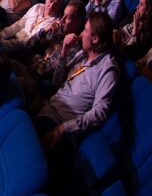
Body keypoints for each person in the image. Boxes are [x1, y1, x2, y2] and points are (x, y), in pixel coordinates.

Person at [36, 12, 119, 151]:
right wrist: (64, 52)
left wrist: (63, 128)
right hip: (50, 106)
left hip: (59, 123)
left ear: (95, 39)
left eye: (85, 30)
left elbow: (100, 113)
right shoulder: (83, 54)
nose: (81, 33)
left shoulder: (108, 70)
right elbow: (57, 82)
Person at [0, 0, 65, 51]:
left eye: (56, 4)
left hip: (23, 48)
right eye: (50, 1)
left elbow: (30, 43)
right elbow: (19, 24)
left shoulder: (55, 24)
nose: (51, 6)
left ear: (60, 6)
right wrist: (1, 34)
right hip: (14, 36)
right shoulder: (38, 6)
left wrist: (3, 43)